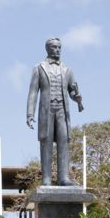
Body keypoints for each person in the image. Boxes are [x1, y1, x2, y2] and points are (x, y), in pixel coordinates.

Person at [26, 37, 84, 186]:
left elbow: (72, 91)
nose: (57, 50)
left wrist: (76, 97)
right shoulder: (39, 67)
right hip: (47, 109)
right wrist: (30, 114)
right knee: (46, 141)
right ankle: (46, 178)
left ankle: (63, 178)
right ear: (48, 49)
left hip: (62, 110)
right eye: (54, 47)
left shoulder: (67, 69)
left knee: (64, 141)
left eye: (59, 48)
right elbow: (33, 92)